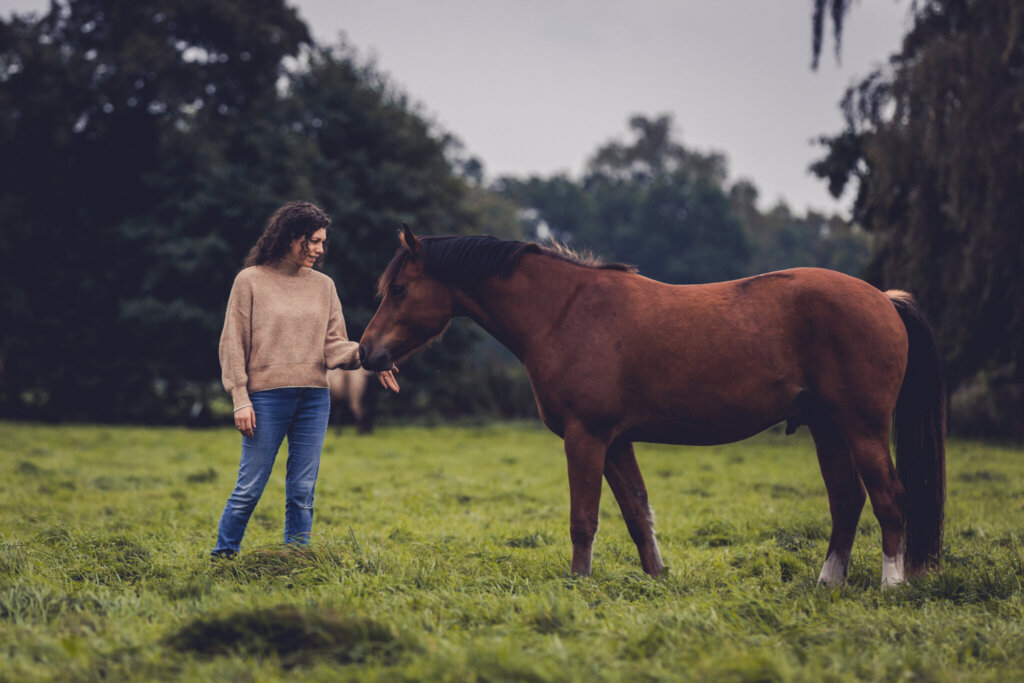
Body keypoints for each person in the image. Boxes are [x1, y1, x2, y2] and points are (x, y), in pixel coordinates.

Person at [211, 201, 398, 558]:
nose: (319, 249)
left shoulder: (324, 286)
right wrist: (240, 397)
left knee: (302, 490)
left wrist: (369, 356)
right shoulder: (249, 281)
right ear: (290, 237)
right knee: (250, 487)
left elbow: (333, 346)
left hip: (314, 398)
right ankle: (223, 557)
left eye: (323, 242)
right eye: (313, 240)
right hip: (266, 399)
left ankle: (296, 560)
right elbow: (232, 343)